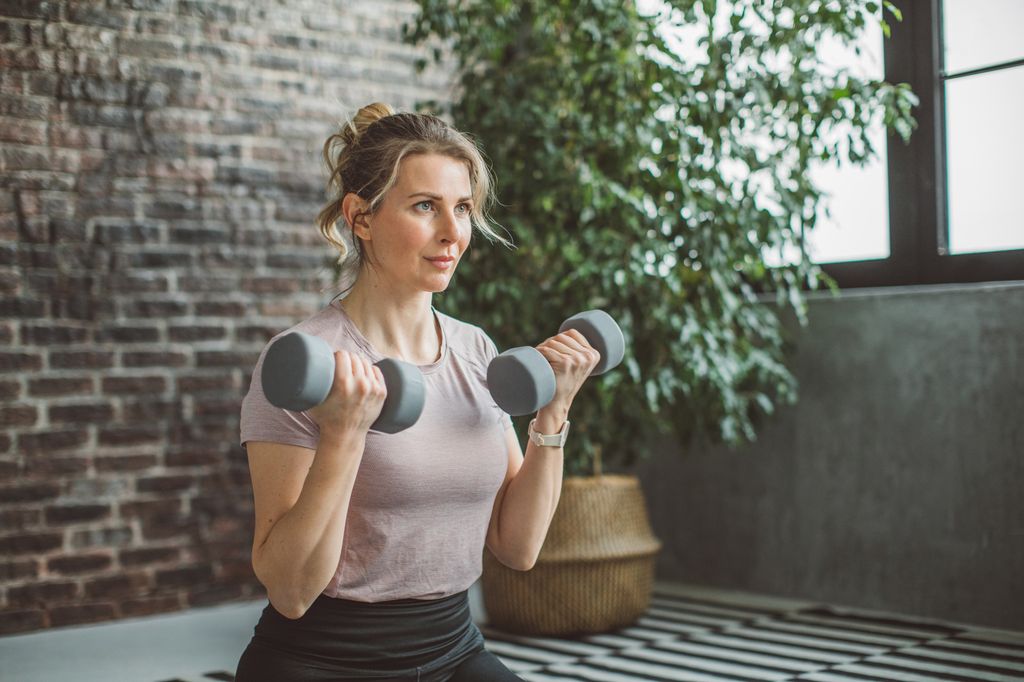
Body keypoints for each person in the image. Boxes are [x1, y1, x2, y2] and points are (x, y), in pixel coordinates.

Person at [234, 103, 600, 681]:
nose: (454, 233)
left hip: (452, 649)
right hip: (323, 659)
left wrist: (554, 412)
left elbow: (517, 547)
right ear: (361, 217)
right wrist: (343, 434)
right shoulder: (305, 363)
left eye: (462, 208)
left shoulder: (476, 351)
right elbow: (291, 589)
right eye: (425, 206)